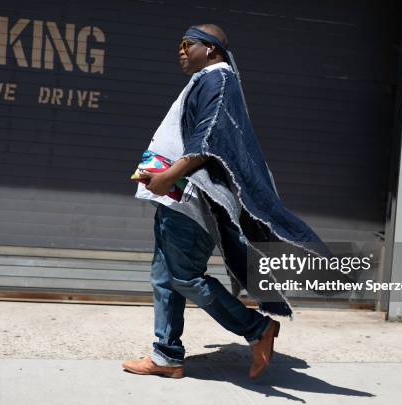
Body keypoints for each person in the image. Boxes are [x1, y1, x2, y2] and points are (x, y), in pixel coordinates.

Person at [123, 23, 349, 380]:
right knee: (164, 277)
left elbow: (209, 135)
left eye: (187, 43)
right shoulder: (206, 79)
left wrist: (168, 177)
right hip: (175, 195)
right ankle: (166, 356)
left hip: (189, 195)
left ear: (210, 48)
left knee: (184, 277)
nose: (180, 50)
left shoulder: (219, 78)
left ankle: (257, 329)